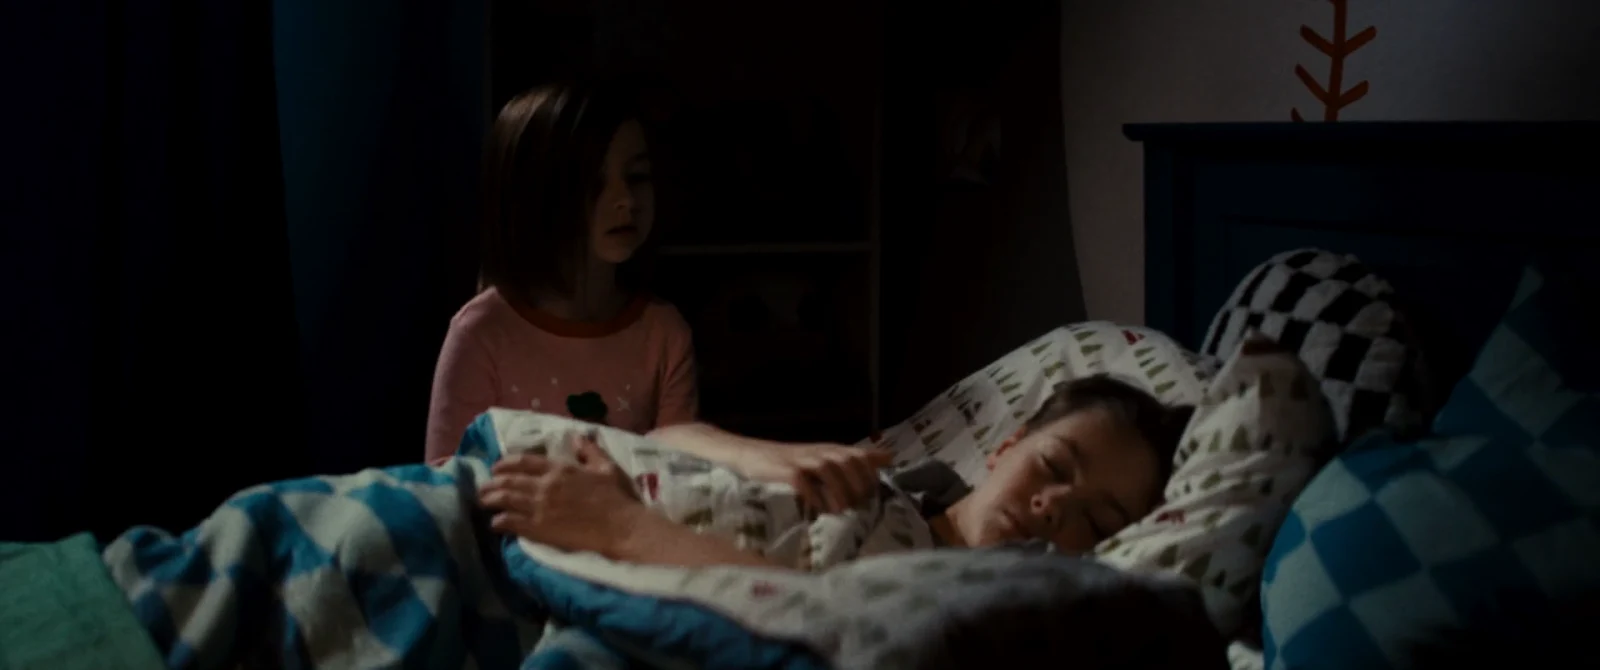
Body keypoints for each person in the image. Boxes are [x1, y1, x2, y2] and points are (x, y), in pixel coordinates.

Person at [426, 81, 883, 512]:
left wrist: (773, 461)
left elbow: (681, 463)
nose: (625, 199)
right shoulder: (482, 334)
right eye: (594, 183)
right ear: (534, 196)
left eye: (637, 176)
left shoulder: (662, 332)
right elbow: (445, 487)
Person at [479, 374, 1194, 569]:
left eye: (1097, 520)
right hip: (534, 476)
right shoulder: (889, 488)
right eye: (1054, 466)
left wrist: (623, 528)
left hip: (586, 538)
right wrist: (770, 456)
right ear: (1007, 446)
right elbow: (669, 437)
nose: (1053, 507)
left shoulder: (974, 603)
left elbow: (812, 621)